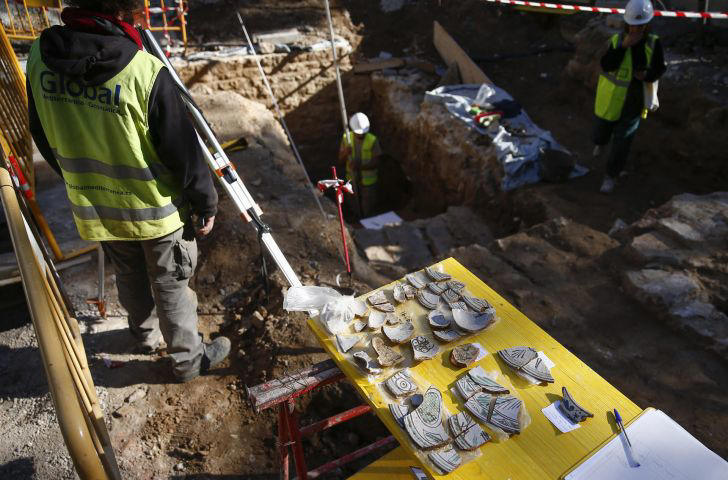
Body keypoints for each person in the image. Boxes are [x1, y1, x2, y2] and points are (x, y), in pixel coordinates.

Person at [26, 0, 230, 382]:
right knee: (170, 285)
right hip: (156, 211)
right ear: (122, 14)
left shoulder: (40, 56)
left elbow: (41, 132)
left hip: (96, 205)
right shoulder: (145, 72)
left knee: (130, 276)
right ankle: (188, 361)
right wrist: (206, 202)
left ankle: (146, 337)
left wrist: (77, 180)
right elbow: (183, 153)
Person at [592, 0, 666, 194]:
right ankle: (599, 143)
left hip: (634, 100)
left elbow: (659, 69)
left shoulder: (653, 43)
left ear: (647, 24)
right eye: (633, 24)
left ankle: (611, 175)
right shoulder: (617, 41)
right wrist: (623, 47)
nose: (636, 29)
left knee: (623, 140)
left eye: (640, 26)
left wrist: (647, 76)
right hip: (610, 98)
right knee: (601, 132)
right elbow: (606, 64)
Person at [338, 113, 382, 219]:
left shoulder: (372, 140)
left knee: (368, 208)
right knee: (353, 206)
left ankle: (368, 223)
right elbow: (340, 160)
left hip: (368, 182)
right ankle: (356, 220)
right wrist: (345, 152)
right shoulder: (346, 138)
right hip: (352, 180)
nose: (361, 135)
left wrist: (360, 166)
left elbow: (378, 162)